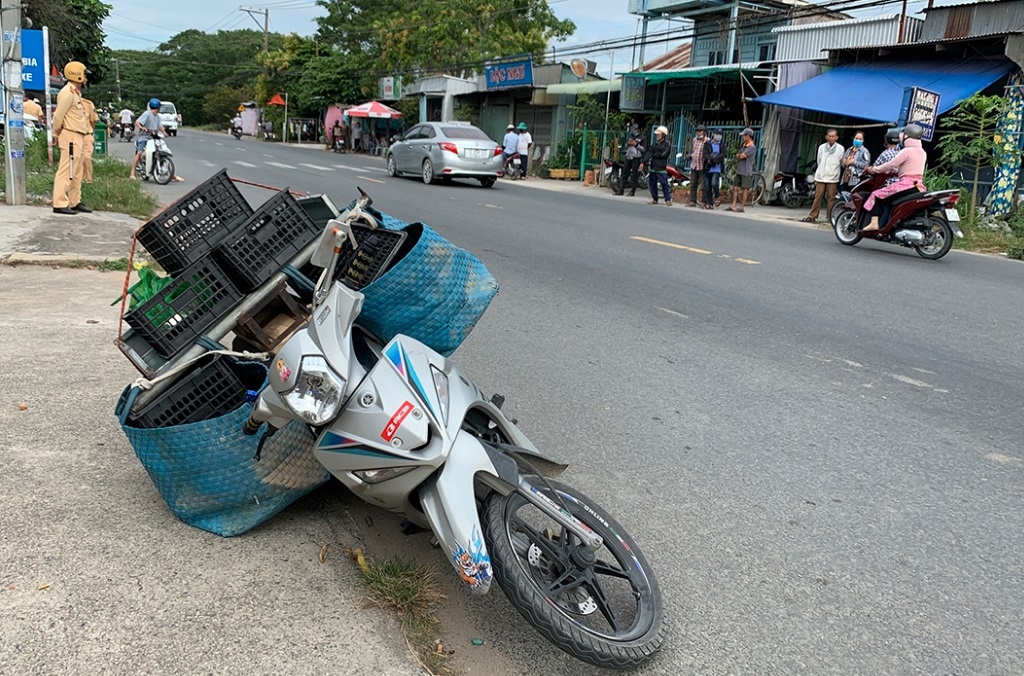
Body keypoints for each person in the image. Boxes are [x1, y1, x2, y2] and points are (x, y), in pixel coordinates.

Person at [861, 123, 928, 232]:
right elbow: (909, 169)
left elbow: (891, 165)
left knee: (876, 194)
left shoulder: (906, 151)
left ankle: (874, 223)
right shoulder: (922, 152)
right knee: (889, 201)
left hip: (905, 185)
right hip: (918, 186)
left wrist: (873, 169)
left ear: (906, 137)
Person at [51, 61, 92, 215]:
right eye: (85, 75)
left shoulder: (76, 93)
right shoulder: (67, 93)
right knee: (66, 170)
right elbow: (58, 116)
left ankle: (74, 201)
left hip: (79, 136)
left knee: (77, 172)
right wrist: (55, 133)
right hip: (70, 135)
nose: (86, 78)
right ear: (78, 75)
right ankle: (59, 203)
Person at [801, 128, 844, 223]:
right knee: (818, 196)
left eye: (833, 136)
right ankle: (813, 215)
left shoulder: (840, 149)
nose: (831, 138)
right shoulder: (821, 147)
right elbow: (819, 161)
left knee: (831, 198)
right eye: (829, 136)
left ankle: (830, 217)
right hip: (821, 176)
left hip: (833, 177)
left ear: (836, 137)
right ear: (826, 137)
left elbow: (841, 163)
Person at [131, 98, 166, 180]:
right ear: (157, 107)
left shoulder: (157, 117)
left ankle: (171, 174)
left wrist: (164, 132)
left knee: (161, 152)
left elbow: (160, 126)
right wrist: (142, 127)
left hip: (154, 138)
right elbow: (137, 122)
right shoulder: (147, 114)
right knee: (139, 153)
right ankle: (132, 173)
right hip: (144, 137)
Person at [641, 125, 672, 206]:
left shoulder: (667, 144)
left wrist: (654, 154)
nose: (657, 136)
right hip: (653, 167)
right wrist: (643, 162)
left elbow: (663, 154)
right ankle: (655, 199)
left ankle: (668, 199)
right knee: (652, 184)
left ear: (663, 135)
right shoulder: (654, 145)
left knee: (664, 183)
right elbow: (649, 153)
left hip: (661, 167)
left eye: (659, 134)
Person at [726, 128, 756, 213]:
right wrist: (739, 156)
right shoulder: (743, 146)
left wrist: (739, 156)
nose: (742, 137)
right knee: (735, 187)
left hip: (746, 170)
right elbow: (738, 155)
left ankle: (742, 207)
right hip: (740, 170)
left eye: (744, 135)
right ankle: (733, 205)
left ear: (748, 136)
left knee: (744, 189)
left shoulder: (752, 147)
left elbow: (741, 156)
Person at [701, 129, 725, 209]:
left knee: (714, 183)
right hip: (707, 168)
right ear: (713, 134)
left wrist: (714, 160)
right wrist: (710, 159)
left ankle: (717, 196)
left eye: (720, 134)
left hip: (717, 168)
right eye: (717, 134)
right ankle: (710, 203)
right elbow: (705, 154)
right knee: (707, 187)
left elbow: (722, 155)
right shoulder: (707, 144)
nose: (718, 136)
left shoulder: (721, 145)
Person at [686, 124, 707, 207]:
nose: (698, 133)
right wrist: (690, 155)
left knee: (704, 184)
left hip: (702, 165)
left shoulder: (707, 141)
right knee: (693, 183)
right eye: (697, 131)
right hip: (694, 164)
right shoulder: (694, 140)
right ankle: (692, 200)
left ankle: (704, 201)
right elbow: (694, 151)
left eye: (700, 131)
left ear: (704, 132)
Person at [81, 96, 98, 184]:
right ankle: (73, 180)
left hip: (86, 135)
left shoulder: (88, 104)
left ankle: (87, 179)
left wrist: (89, 130)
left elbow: (93, 120)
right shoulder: (65, 102)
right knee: (72, 158)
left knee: (86, 157)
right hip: (71, 136)